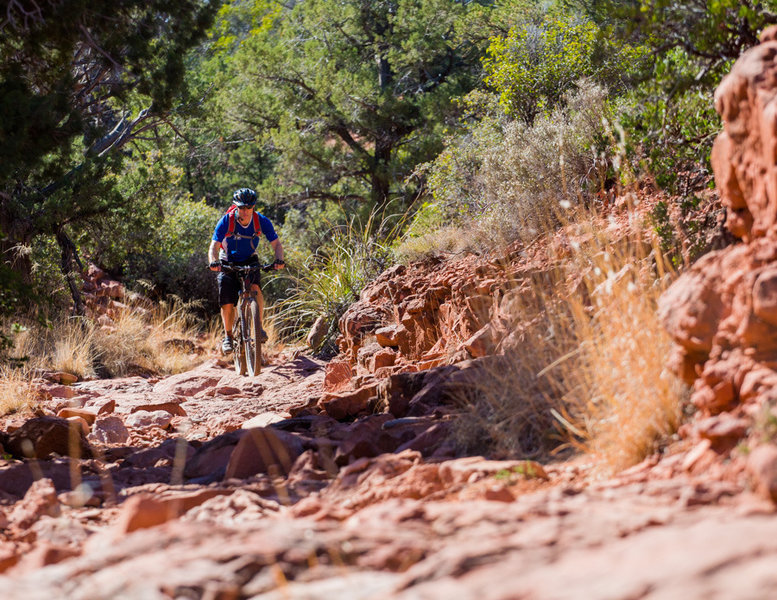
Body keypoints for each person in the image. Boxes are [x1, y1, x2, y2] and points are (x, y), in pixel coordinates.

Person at [208, 188, 284, 354]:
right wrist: (214, 262)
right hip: (227, 260)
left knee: (255, 289)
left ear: (253, 206)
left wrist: (279, 260)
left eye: (248, 207)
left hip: (249, 258)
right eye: (241, 207)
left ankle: (259, 327)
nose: (245, 211)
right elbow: (213, 246)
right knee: (227, 301)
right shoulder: (226, 221)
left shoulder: (260, 221)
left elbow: (276, 244)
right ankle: (228, 337)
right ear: (235, 206)